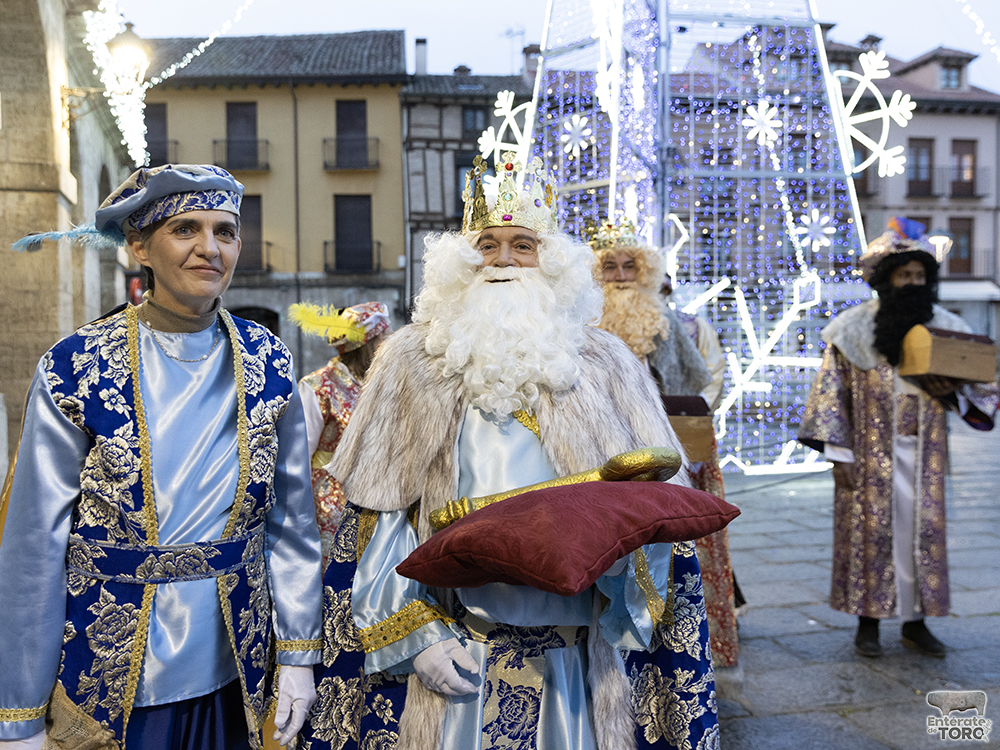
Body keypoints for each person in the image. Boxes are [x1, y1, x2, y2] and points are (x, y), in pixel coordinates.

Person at [306, 153, 718, 750]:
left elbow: (654, 520)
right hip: (459, 655)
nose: (502, 261)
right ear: (461, 262)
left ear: (551, 263)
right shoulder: (409, 361)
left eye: (522, 245)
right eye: (487, 245)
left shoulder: (608, 364)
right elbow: (376, 522)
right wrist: (416, 636)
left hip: (578, 663)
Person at [0, 164, 323, 749]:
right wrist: (17, 712)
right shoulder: (76, 366)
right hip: (110, 674)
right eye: (185, 229)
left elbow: (292, 521)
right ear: (139, 244)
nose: (209, 249)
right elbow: (32, 546)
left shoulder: (269, 361)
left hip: (239, 671)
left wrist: (299, 650)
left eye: (225, 231)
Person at [798, 217, 998, 658]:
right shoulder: (850, 329)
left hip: (926, 457)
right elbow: (830, 395)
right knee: (868, 536)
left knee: (921, 537)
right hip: (867, 457)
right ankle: (867, 624)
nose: (912, 282)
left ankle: (916, 624)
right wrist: (838, 455)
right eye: (904, 275)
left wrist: (952, 394)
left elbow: (982, 387)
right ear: (887, 280)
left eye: (920, 276)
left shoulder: (948, 326)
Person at [590, 219, 739, 669]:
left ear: (646, 270)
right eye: (609, 267)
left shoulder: (678, 326)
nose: (620, 276)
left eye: (629, 266)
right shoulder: (581, 327)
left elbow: (705, 382)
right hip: (603, 460)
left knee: (676, 557)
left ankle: (679, 659)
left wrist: (674, 421)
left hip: (670, 458)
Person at [290, 301, 392, 569]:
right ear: (367, 344)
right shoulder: (318, 387)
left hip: (379, 505)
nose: (390, 341)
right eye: (384, 336)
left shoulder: (383, 383)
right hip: (330, 511)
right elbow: (296, 458)